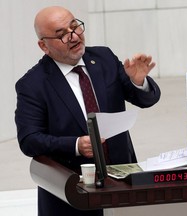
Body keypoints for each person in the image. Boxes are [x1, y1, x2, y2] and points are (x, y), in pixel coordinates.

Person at [15, 6, 161, 216]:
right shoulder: (33, 85)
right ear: (43, 46)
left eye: (75, 27)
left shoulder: (104, 58)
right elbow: (29, 140)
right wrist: (75, 145)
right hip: (72, 192)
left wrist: (138, 82)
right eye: (62, 34)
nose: (73, 36)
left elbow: (146, 100)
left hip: (122, 183)